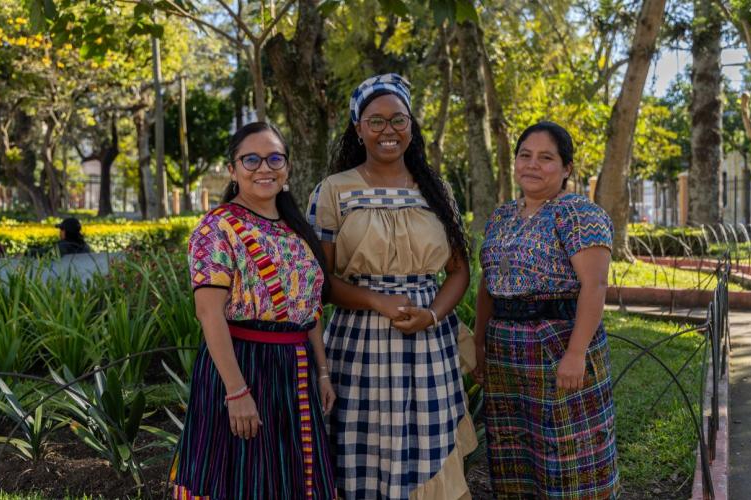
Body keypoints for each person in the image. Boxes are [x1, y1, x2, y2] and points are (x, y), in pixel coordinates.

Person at [308, 73, 476, 499]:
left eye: (398, 120)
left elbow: (459, 270)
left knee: (428, 441)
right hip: (358, 343)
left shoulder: (435, 190)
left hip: (428, 341)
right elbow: (320, 283)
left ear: (411, 125)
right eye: (376, 121)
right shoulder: (334, 191)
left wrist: (433, 314)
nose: (389, 131)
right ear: (358, 128)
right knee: (363, 448)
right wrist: (375, 300)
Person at [171, 122, 337, 499]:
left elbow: (310, 310)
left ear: (287, 167)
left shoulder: (298, 231)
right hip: (244, 367)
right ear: (233, 170)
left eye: (275, 158)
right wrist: (236, 392)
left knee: (292, 478)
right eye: (251, 159)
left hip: (295, 368)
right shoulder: (216, 228)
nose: (265, 168)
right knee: (245, 479)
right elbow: (209, 314)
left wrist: (323, 372)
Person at [474, 121, 619, 499]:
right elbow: (486, 284)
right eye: (525, 155)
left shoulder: (576, 213)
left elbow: (595, 285)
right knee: (516, 453)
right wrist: (479, 345)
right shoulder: (502, 215)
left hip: (557, 346)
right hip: (506, 351)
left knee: (569, 454)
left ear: (567, 168)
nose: (532, 165)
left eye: (546, 158)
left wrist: (576, 353)